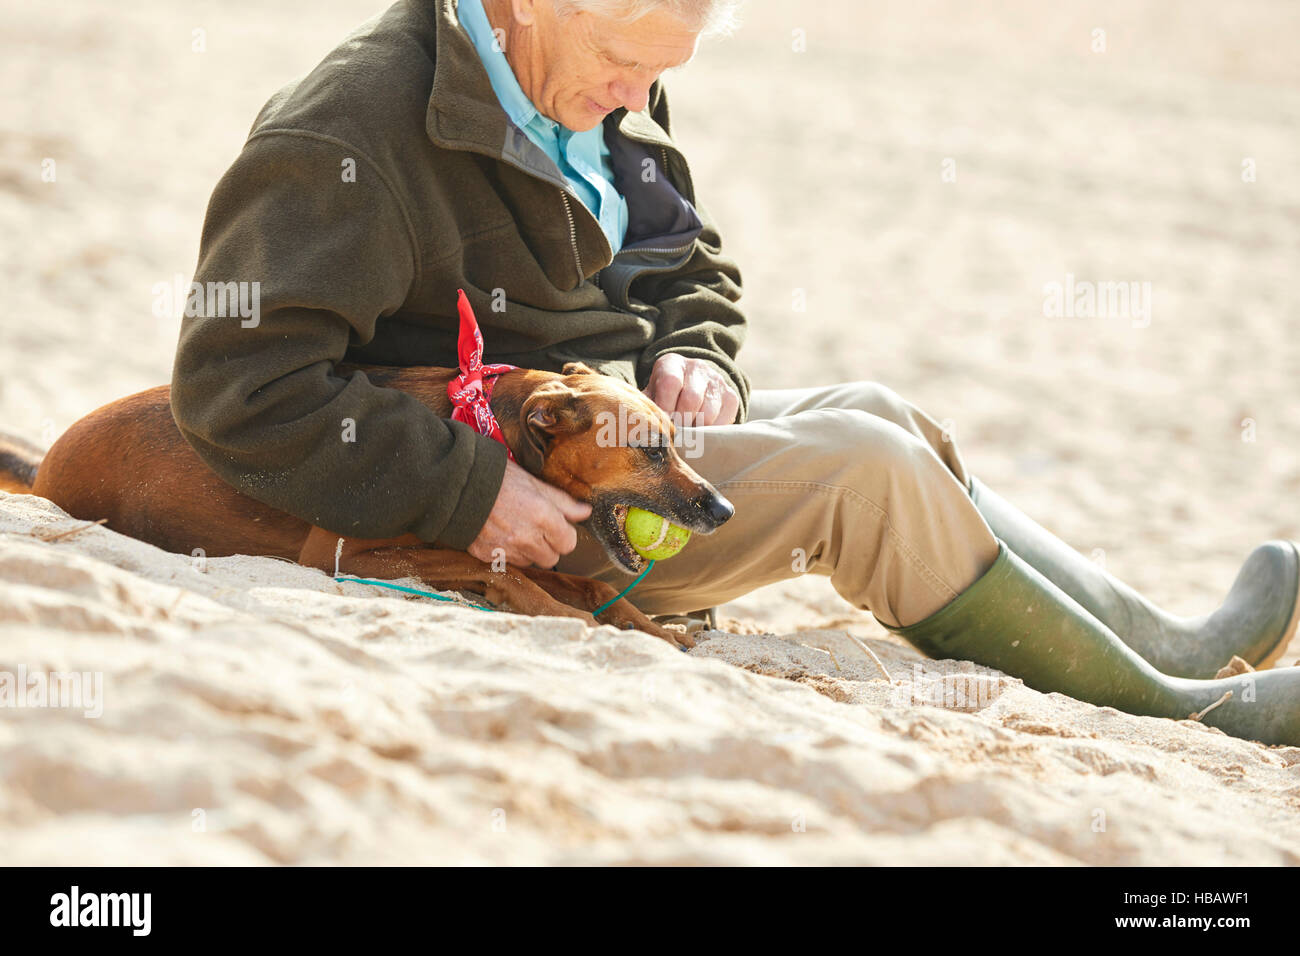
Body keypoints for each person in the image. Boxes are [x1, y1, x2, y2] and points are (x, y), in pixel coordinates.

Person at [171, 0, 1300, 744]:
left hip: (619, 432)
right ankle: (1175, 709)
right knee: (865, 468)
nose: (636, 94)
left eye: (659, 69)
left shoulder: (585, 68)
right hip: (534, 520)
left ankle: (1163, 642)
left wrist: (696, 355)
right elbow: (239, 384)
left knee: (874, 407)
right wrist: (470, 493)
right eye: (624, 63)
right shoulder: (344, 136)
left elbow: (690, 260)